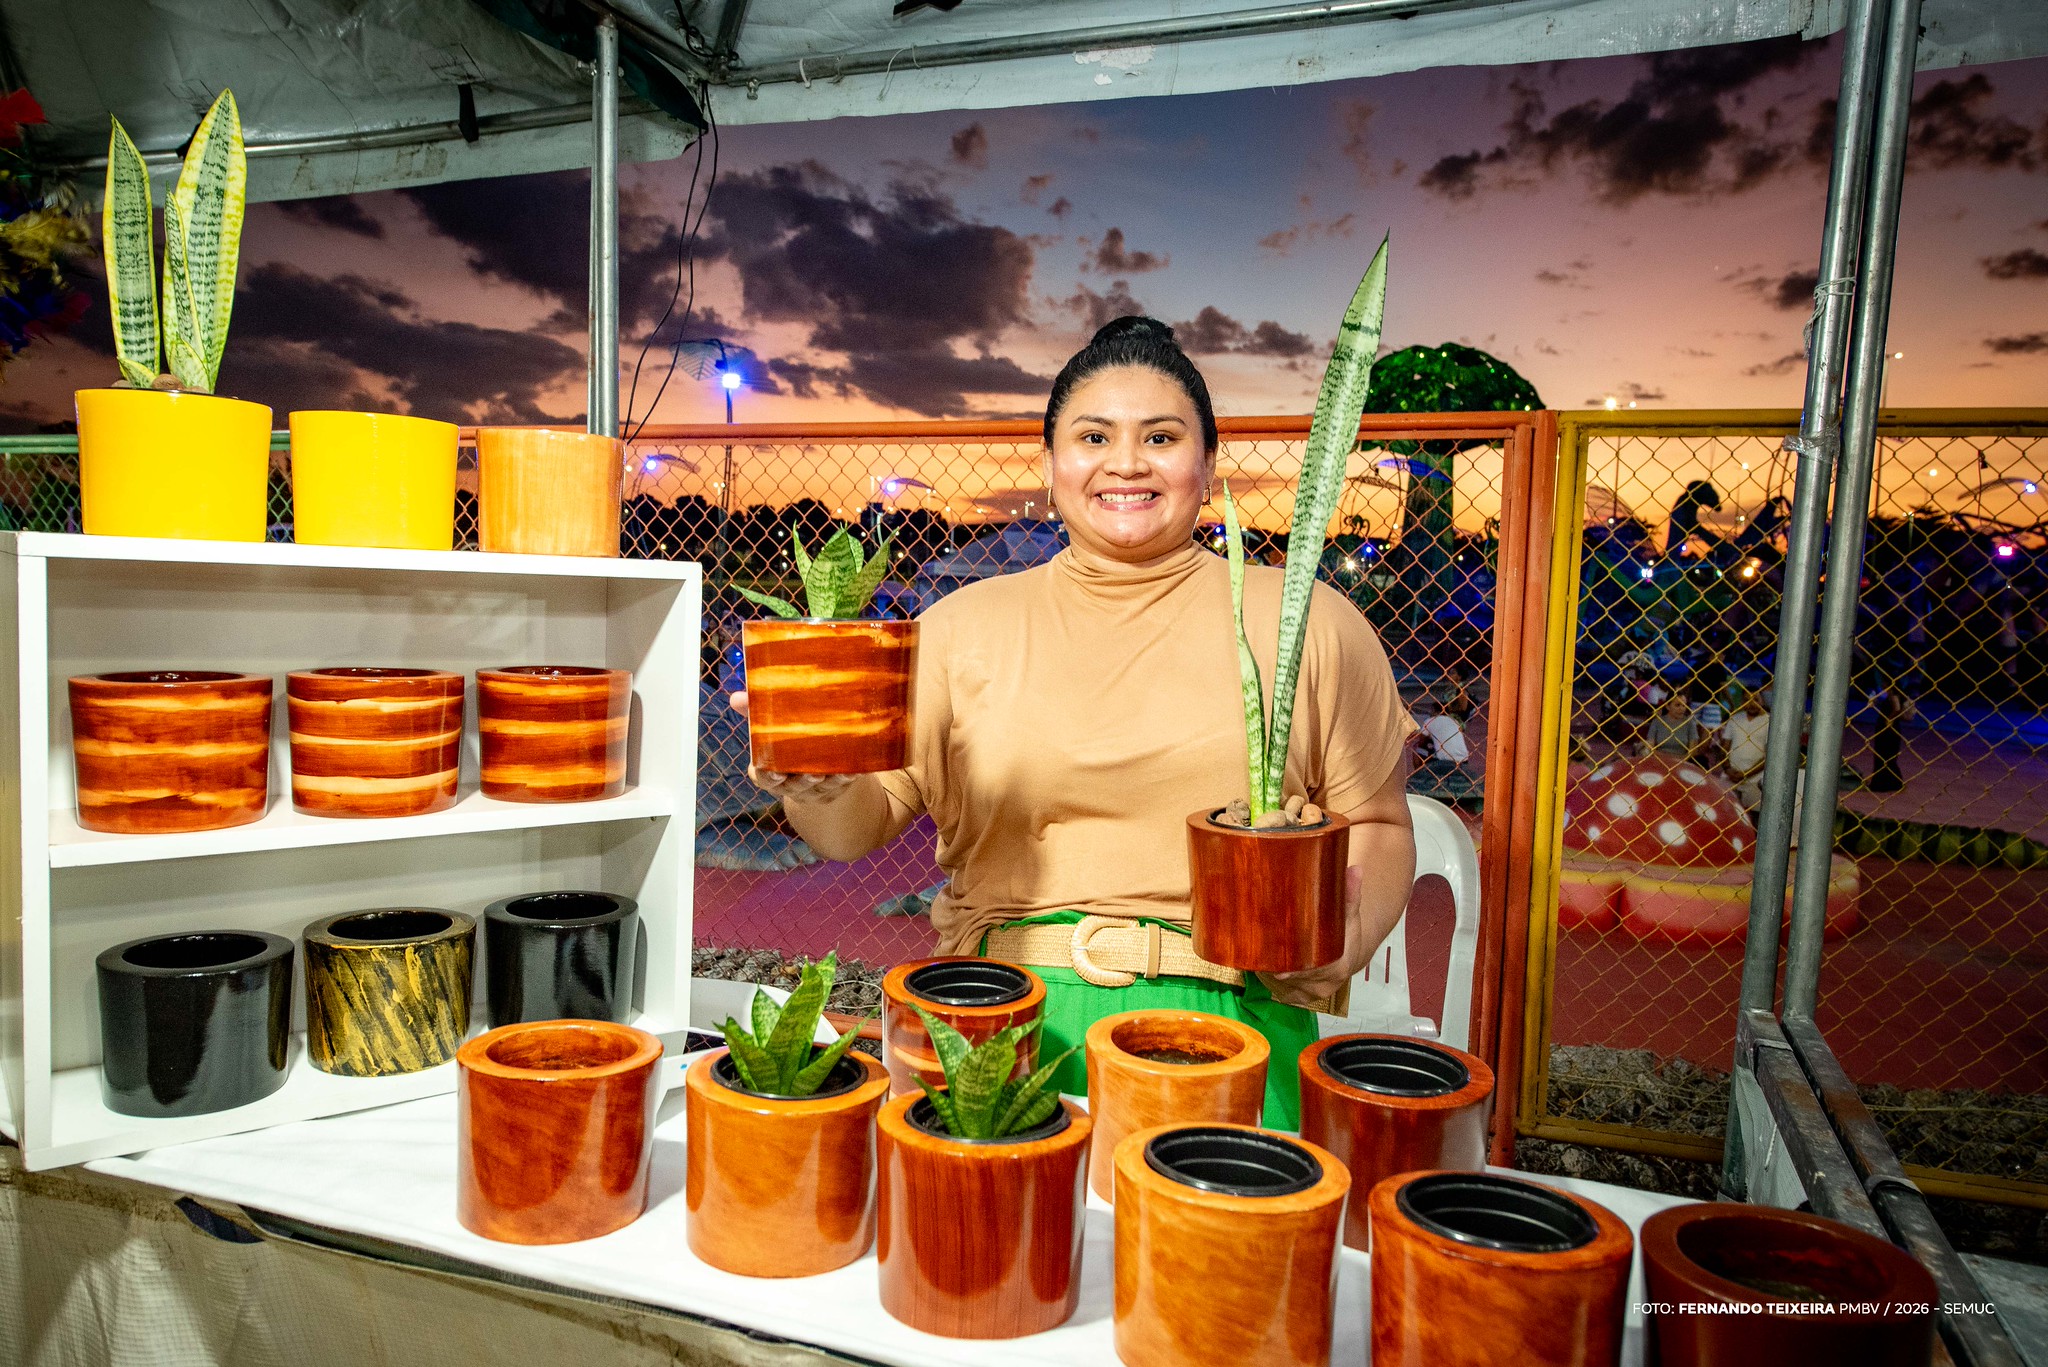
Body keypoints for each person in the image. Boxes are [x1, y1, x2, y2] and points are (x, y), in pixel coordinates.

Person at [733, 317, 1416, 1126]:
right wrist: (815, 786)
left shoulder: (1311, 621)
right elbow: (856, 828)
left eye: (1161, 436)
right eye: (1095, 435)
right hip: (995, 1020)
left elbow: (1378, 820)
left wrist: (1351, 935)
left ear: (1207, 463)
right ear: (1053, 462)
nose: (1126, 462)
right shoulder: (957, 626)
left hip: (1238, 1021)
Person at [1721, 689, 1772, 807]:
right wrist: (1728, 769)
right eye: (1746, 700)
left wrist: (1745, 774)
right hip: (1730, 776)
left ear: (1762, 701)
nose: (1751, 703)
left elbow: (1769, 757)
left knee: (1754, 815)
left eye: (1755, 699)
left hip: (1756, 778)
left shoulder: (1770, 722)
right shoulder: (1735, 719)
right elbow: (1724, 748)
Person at [1868, 682, 1912, 793]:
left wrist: (1889, 719)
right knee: (1889, 756)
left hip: (1887, 727)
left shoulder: (1893, 693)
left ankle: (1882, 784)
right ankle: (1891, 782)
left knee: (1883, 755)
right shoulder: (1892, 693)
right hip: (1891, 727)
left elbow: (1896, 708)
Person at [1642, 690, 1702, 760]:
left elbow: (1693, 752)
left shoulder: (1690, 723)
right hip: (1659, 760)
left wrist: (1677, 759)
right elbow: (1650, 748)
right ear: (1668, 706)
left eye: (1684, 705)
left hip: (1683, 761)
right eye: (1677, 705)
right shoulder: (1657, 722)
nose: (1681, 709)